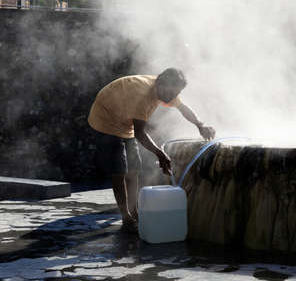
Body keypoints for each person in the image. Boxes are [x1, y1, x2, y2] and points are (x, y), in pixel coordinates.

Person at [87, 68, 216, 233]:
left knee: (133, 169)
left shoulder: (166, 89)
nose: (170, 97)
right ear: (159, 82)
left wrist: (200, 125)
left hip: (124, 117)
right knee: (119, 169)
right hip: (106, 116)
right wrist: (161, 154)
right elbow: (140, 133)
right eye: (169, 93)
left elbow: (183, 108)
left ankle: (135, 211)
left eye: (175, 93)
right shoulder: (142, 96)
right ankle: (126, 216)